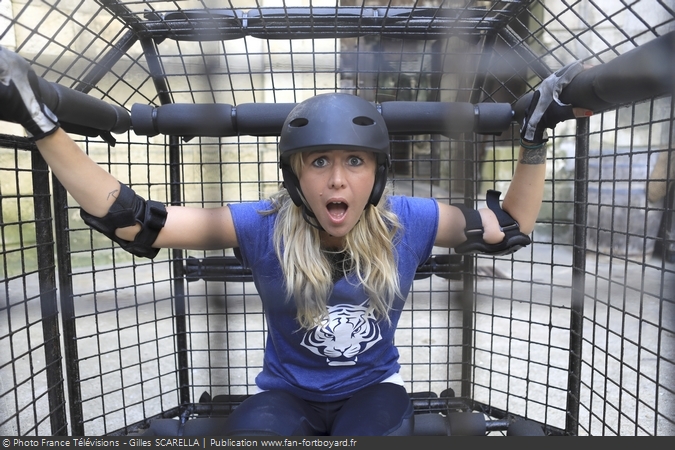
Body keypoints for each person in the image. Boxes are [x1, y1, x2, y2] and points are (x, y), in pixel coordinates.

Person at [0, 46, 589, 436]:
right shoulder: (261, 222)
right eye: (320, 162)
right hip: (284, 396)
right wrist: (43, 127)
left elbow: (511, 227)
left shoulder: (408, 219)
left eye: (354, 162)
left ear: (376, 173)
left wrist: (533, 141)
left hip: (371, 391)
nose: (337, 179)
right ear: (294, 174)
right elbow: (135, 221)